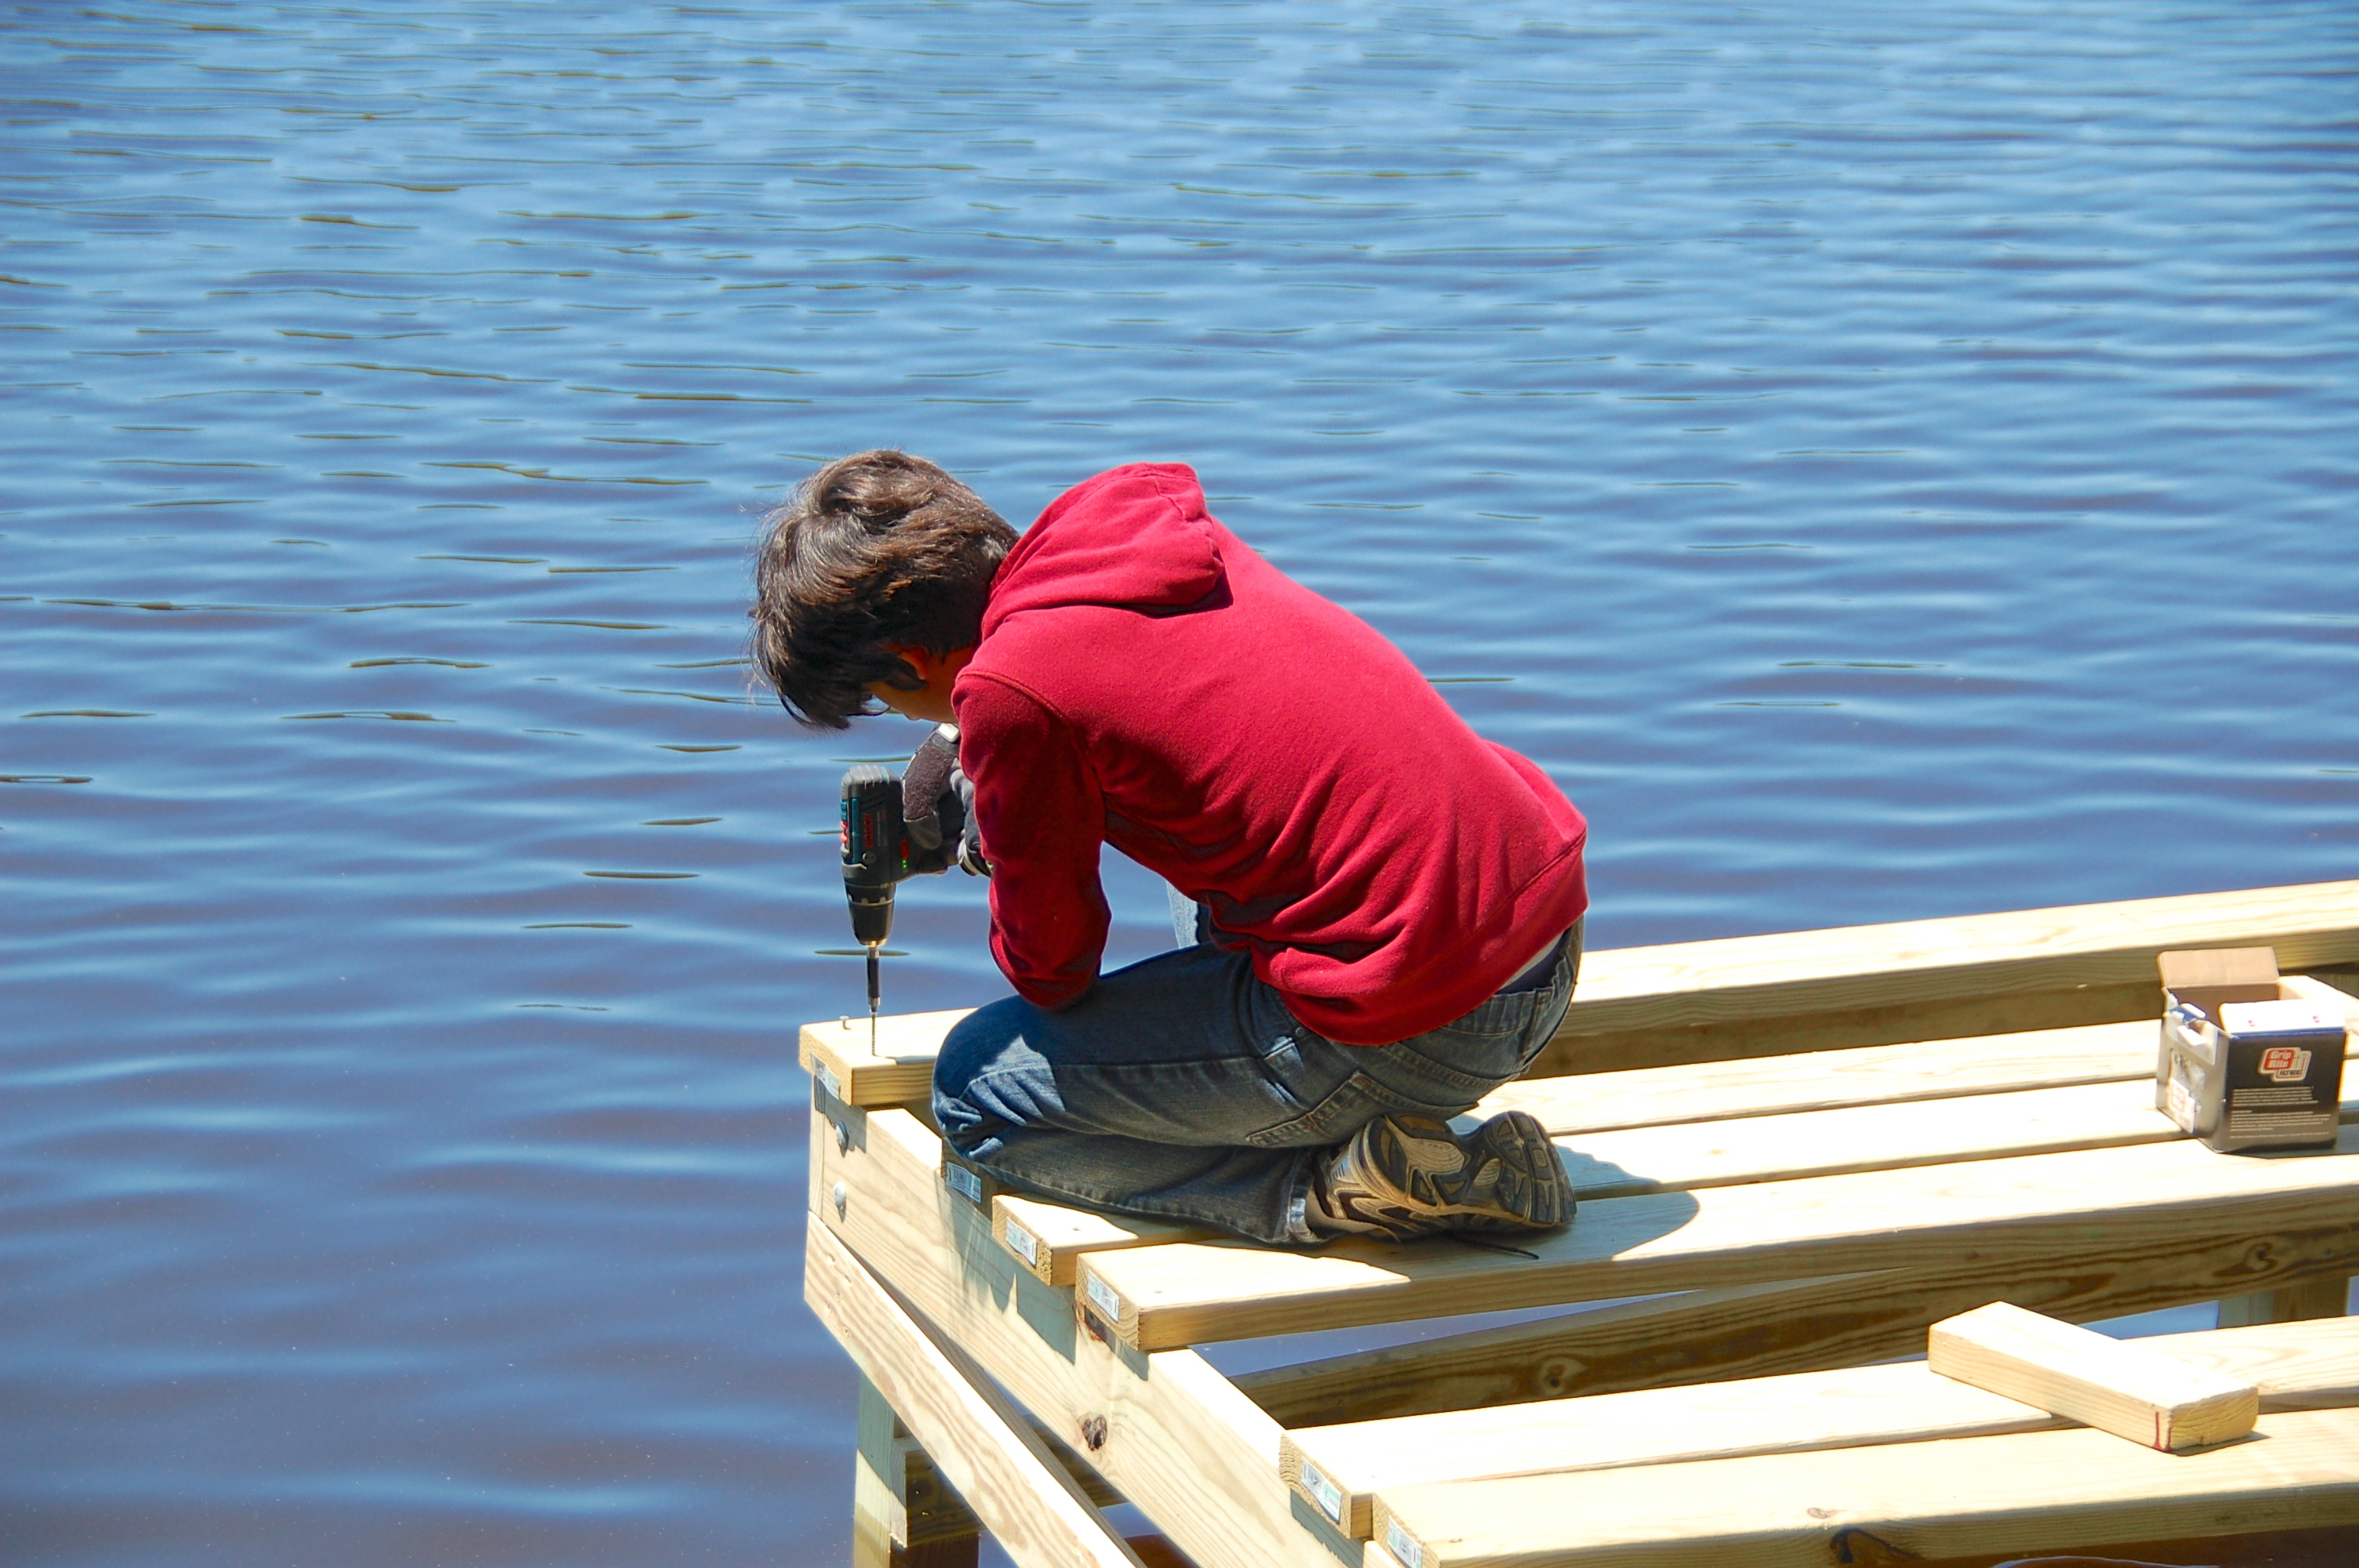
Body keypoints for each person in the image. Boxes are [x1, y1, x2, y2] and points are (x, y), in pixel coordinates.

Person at [751, 450, 1589, 1246]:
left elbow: (1053, 971)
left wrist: (1004, 842)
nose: (899, 717)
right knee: (1205, 842)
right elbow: (1144, 703)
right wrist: (973, 745)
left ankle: (1328, 1190)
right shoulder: (1126, 530)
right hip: (1538, 935)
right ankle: (1331, 1121)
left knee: (974, 1089)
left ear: (908, 660)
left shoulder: (1013, 697)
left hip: (1422, 1026)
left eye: (880, 698)